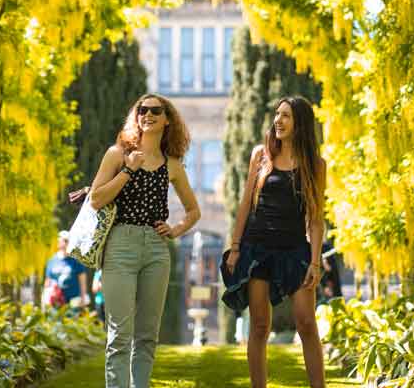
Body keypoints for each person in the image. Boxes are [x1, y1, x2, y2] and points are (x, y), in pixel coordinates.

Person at [90, 94, 200, 388]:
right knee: (119, 333)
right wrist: (128, 170)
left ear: (167, 119)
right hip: (119, 245)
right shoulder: (117, 154)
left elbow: (193, 211)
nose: (148, 114)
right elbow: (96, 199)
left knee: (147, 335)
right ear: (135, 116)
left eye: (155, 110)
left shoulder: (172, 165)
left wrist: (175, 230)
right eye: (142, 110)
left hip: (155, 249)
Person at [221, 95, 327, 388]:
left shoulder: (316, 165)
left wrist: (315, 261)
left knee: (306, 323)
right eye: (277, 114)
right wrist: (236, 247)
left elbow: (316, 219)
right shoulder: (261, 155)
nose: (278, 121)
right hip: (258, 248)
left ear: (300, 124)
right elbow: (245, 205)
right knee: (259, 325)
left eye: (286, 116)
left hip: (295, 249)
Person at [44, 230, 89, 309]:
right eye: (63, 240)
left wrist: (83, 298)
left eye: (67, 241)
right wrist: (45, 299)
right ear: (58, 242)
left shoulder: (76, 260)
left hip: (74, 301)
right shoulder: (51, 261)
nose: (65, 243)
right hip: (56, 302)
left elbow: (82, 281)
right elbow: (47, 282)